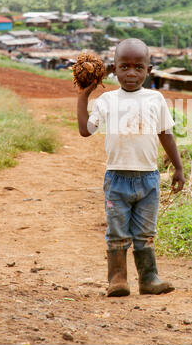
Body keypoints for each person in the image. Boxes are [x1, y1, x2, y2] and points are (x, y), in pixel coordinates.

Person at [77, 38, 185, 297]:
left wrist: (178, 168)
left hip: (149, 179)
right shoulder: (106, 101)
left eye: (139, 67)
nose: (131, 73)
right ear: (113, 69)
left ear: (149, 69)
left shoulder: (155, 99)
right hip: (116, 180)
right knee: (117, 231)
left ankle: (149, 279)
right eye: (124, 67)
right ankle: (117, 279)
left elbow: (166, 134)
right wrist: (84, 94)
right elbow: (85, 130)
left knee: (146, 232)